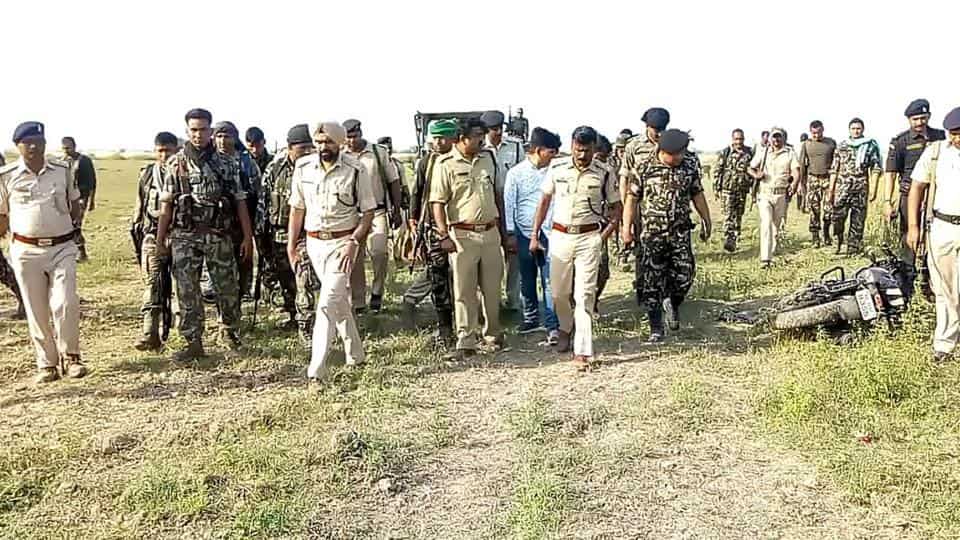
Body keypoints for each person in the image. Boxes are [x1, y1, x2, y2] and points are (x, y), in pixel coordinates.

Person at [155, 108, 255, 360]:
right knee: (187, 291)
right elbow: (166, 206)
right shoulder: (176, 163)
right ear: (187, 131)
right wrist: (160, 241)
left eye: (202, 129)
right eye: (193, 130)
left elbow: (240, 201)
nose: (198, 134)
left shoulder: (226, 163)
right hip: (184, 236)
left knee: (227, 288)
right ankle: (193, 342)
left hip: (218, 235)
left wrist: (247, 237)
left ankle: (230, 334)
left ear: (210, 131)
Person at [287, 121, 375, 380]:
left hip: (343, 244)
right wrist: (292, 245)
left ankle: (316, 372)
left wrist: (354, 242)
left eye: (328, 142)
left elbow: (368, 212)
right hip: (314, 243)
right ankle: (356, 355)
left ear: (340, 143)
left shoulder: (356, 169)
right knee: (338, 302)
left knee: (326, 304)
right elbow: (297, 209)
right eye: (319, 142)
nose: (323, 147)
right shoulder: (303, 168)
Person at [0, 122, 87, 383]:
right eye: (28, 143)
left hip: (62, 247)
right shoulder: (6, 176)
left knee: (65, 302)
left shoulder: (62, 170)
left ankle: (71, 357)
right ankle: (47, 364)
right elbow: (2, 216)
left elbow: (74, 203)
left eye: (39, 141)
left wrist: (73, 226)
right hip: (26, 251)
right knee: (35, 308)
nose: (34, 147)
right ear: (17, 146)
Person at [532, 126, 621, 369]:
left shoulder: (604, 172)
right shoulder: (557, 167)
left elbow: (616, 208)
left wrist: (602, 237)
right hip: (560, 236)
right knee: (558, 293)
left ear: (594, 148)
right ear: (572, 146)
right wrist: (534, 235)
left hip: (589, 238)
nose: (582, 155)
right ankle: (565, 327)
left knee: (584, 295)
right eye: (578, 149)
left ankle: (583, 349)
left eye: (587, 150)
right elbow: (544, 201)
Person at [621, 129, 711, 342]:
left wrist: (706, 220)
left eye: (682, 153)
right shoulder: (644, 166)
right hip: (652, 235)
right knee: (652, 281)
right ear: (663, 151)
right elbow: (632, 199)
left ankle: (672, 302)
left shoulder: (689, 166)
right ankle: (656, 327)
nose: (680, 158)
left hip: (680, 233)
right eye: (676, 154)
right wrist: (626, 228)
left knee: (685, 275)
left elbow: (697, 194)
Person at [430, 118, 508, 360]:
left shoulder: (488, 159)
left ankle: (492, 335)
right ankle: (466, 340)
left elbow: (497, 195)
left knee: (492, 289)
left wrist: (504, 232)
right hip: (462, 235)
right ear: (462, 139)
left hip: (491, 232)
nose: (482, 141)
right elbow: (437, 203)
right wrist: (444, 235)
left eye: (482, 136)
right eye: (477, 137)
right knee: (464, 291)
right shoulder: (445, 164)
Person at [906, 107, 960, 362]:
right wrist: (913, 226)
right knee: (944, 288)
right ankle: (945, 345)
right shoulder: (936, 152)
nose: (957, 138)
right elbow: (917, 187)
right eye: (953, 133)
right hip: (942, 227)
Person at [256, 124, 319, 343]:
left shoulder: (316, 168)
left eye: (311, 148)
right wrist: (260, 235)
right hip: (278, 234)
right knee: (286, 280)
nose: (308, 152)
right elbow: (263, 201)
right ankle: (292, 315)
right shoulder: (275, 168)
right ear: (290, 148)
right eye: (302, 148)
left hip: (306, 233)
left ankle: (307, 326)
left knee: (305, 280)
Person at [402, 120, 458, 347]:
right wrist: (413, 220)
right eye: (435, 138)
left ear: (453, 138)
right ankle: (445, 328)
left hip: (461, 225)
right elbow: (417, 191)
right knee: (438, 276)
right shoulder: (427, 162)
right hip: (434, 227)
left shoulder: (462, 160)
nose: (438, 142)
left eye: (443, 137)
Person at [885, 98, 946, 300]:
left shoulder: (940, 137)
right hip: (909, 197)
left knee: (935, 240)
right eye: (915, 119)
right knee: (909, 239)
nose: (919, 122)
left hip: (935, 197)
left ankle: (931, 285)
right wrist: (887, 201)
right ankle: (907, 288)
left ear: (929, 117)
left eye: (923, 118)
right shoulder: (901, 141)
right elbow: (891, 172)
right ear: (909, 120)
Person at [504, 127, 561, 342]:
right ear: (538, 150)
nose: (553, 156)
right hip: (523, 232)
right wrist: (511, 232)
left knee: (549, 279)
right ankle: (530, 318)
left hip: (549, 232)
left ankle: (552, 323)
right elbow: (509, 203)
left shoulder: (555, 171)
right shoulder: (516, 173)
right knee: (527, 278)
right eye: (550, 152)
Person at [342, 119, 402, 312]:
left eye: (354, 136)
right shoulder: (341, 155)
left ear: (361, 134)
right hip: (353, 214)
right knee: (355, 258)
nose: (352, 141)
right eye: (348, 137)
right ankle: (358, 301)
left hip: (377, 211)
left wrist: (397, 209)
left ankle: (377, 292)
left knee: (379, 253)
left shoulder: (378, 152)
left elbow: (394, 181)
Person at [131, 132, 179, 351]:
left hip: (179, 236)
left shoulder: (183, 172)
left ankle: (183, 333)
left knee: (181, 287)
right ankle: (149, 333)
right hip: (151, 235)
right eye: (160, 151)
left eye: (168, 150)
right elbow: (139, 206)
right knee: (152, 285)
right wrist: (137, 229)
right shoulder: (147, 174)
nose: (164, 155)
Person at [481, 110, 525, 313]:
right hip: (488, 208)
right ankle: (492, 299)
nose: (498, 132)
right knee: (490, 258)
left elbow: (523, 176)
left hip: (511, 207)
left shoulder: (515, 147)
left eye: (500, 128)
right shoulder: (479, 149)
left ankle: (513, 300)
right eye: (493, 129)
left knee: (514, 255)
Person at [620, 108, 670, 270]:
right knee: (642, 253)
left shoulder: (670, 145)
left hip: (666, 212)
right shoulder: (634, 146)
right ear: (647, 126)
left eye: (662, 129)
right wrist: (628, 213)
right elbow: (624, 179)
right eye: (656, 129)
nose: (659, 133)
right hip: (641, 210)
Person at [828, 118, 882, 255]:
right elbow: (834, 169)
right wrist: (831, 190)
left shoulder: (870, 145)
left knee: (858, 219)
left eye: (858, 128)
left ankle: (853, 247)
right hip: (842, 188)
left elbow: (876, 168)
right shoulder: (842, 145)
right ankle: (838, 242)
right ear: (849, 130)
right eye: (853, 128)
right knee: (837, 217)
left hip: (861, 188)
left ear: (863, 129)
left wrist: (874, 189)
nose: (856, 131)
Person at [748, 127, 799, 268]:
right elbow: (750, 167)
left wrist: (794, 184)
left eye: (779, 137)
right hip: (765, 193)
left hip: (781, 194)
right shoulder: (763, 152)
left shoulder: (790, 153)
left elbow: (796, 170)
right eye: (774, 137)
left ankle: (772, 248)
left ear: (784, 138)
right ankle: (765, 259)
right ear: (770, 138)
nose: (776, 140)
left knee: (776, 226)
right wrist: (756, 174)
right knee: (766, 223)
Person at [713, 128, 754, 252]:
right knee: (728, 216)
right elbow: (718, 170)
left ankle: (735, 239)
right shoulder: (726, 152)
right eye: (736, 139)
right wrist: (716, 188)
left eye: (741, 139)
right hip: (728, 190)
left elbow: (753, 169)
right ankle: (728, 240)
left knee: (738, 216)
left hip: (742, 190)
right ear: (732, 139)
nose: (738, 142)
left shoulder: (749, 153)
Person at [798, 121, 837, 247]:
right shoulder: (806, 144)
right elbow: (802, 165)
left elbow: (837, 162)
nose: (816, 135)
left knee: (828, 209)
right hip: (813, 179)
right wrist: (801, 183)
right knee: (814, 209)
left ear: (823, 130)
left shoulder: (831, 143)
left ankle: (826, 233)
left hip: (827, 179)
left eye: (819, 132)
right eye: (814, 133)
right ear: (810, 132)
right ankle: (815, 236)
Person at [60, 136, 97, 262]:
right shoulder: (62, 161)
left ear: (74, 147)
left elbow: (92, 182)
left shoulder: (84, 161)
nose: (66, 151)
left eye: (68, 148)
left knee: (75, 225)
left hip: (81, 197)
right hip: (66, 198)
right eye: (64, 148)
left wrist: (92, 200)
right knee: (67, 225)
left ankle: (82, 253)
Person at [591, 134, 615, 312]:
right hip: (576, 232)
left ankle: (593, 302)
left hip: (601, 228)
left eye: (605, 159)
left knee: (602, 270)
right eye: (600, 158)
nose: (603, 162)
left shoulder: (607, 173)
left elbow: (616, 205)